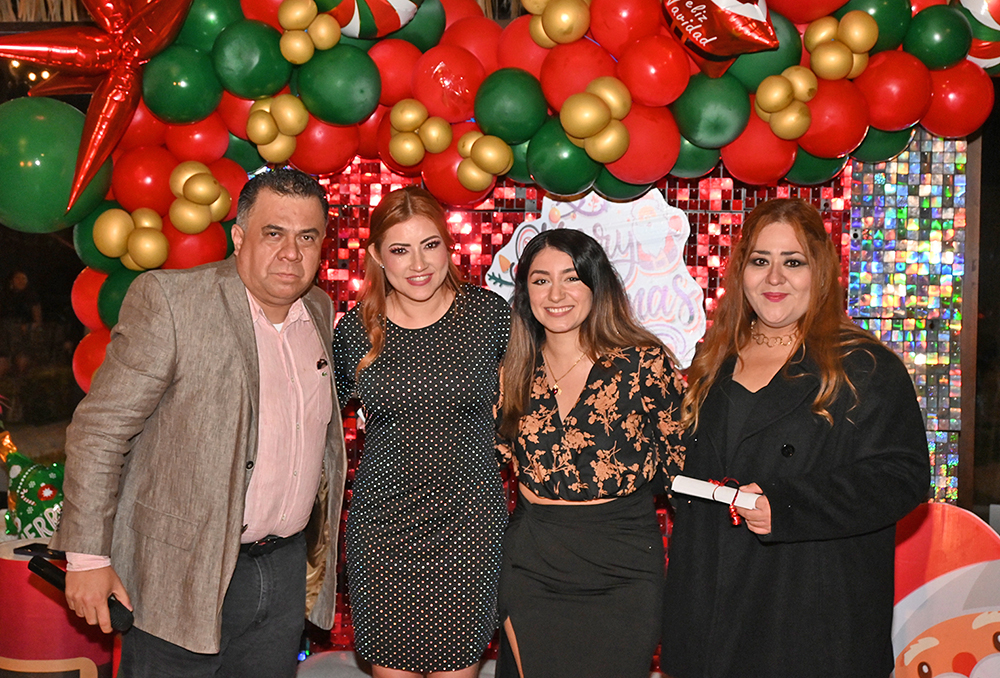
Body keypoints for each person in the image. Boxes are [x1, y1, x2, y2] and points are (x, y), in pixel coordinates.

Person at [50, 168, 347, 677]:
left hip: (283, 572)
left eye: (307, 237)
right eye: (273, 233)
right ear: (239, 238)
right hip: (180, 573)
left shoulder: (318, 310)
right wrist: (87, 557)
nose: (291, 253)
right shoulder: (172, 301)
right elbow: (100, 431)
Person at [660, 199, 931, 678]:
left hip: (807, 618)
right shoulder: (712, 360)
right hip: (710, 617)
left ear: (820, 272)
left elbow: (901, 478)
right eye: (760, 260)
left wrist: (788, 506)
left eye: (793, 262)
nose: (774, 278)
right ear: (741, 272)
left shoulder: (864, 366)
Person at [333, 186, 510, 678]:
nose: (418, 264)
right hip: (384, 530)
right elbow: (313, 420)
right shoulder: (355, 331)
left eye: (430, 245)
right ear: (376, 255)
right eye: (400, 249)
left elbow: (527, 404)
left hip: (469, 528)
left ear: (448, 245)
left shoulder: (489, 317)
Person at [495, 229, 685, 678]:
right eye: (541, 280)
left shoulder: (644, 364)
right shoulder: (512, 368)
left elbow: (682, 465)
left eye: (571, 278)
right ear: (525, 292)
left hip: (624, 566)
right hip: (533, 564)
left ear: (596, 284)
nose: (556, 294)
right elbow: (482, 462)